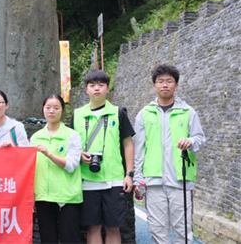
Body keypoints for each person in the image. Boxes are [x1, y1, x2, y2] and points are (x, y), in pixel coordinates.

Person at [133, 64, 205, 243]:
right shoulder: (144, 114)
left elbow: (200, 138)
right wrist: (137, 180)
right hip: (153, 180)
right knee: (157, 230)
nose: (165, 85)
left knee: (183, 230)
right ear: (154, 85)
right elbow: (139, 149)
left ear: (176, 85)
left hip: (180, 180)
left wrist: (191, 141)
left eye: (169, 81)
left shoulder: (188, 112)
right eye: (160, 81)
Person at [72, 70, 135, 244]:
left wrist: (129, 174)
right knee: (93, 227)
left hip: (114, 180)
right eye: (92, 85)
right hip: (87, 179)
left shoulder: (118, 113)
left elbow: (128, 144)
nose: (96, 89)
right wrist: (79, 156)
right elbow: (71, 146)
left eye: (101, 85)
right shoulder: (77, 115)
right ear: (86, 90)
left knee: (113, 227)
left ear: (108, 88)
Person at [31, 94, 82, 243]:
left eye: (56, 108)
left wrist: (49, 154)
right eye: (48, 107)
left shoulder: (72, 135)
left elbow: (71, 165)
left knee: (70, 239)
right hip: (43, 196)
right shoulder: (35, 137)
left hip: (67, 197)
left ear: (63, 110)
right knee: (48, 240)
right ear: (43, 110)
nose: (51, 111)